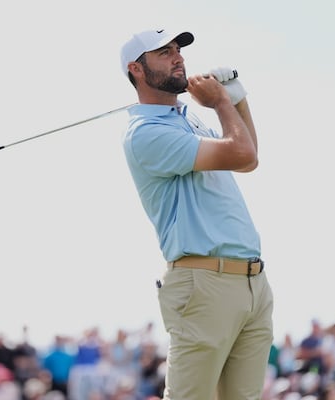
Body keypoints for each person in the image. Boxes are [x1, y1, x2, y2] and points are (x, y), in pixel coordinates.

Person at [119, 27, 274, 399]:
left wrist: (237, 99)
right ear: (136, 70)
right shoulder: (145, 132)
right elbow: (243, 154)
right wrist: (221, 103)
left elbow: (247, 160)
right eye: (163, 52)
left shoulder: (186, 120)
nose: (178, 58)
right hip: (203, 283)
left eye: (178, 50)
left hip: (252, 282)